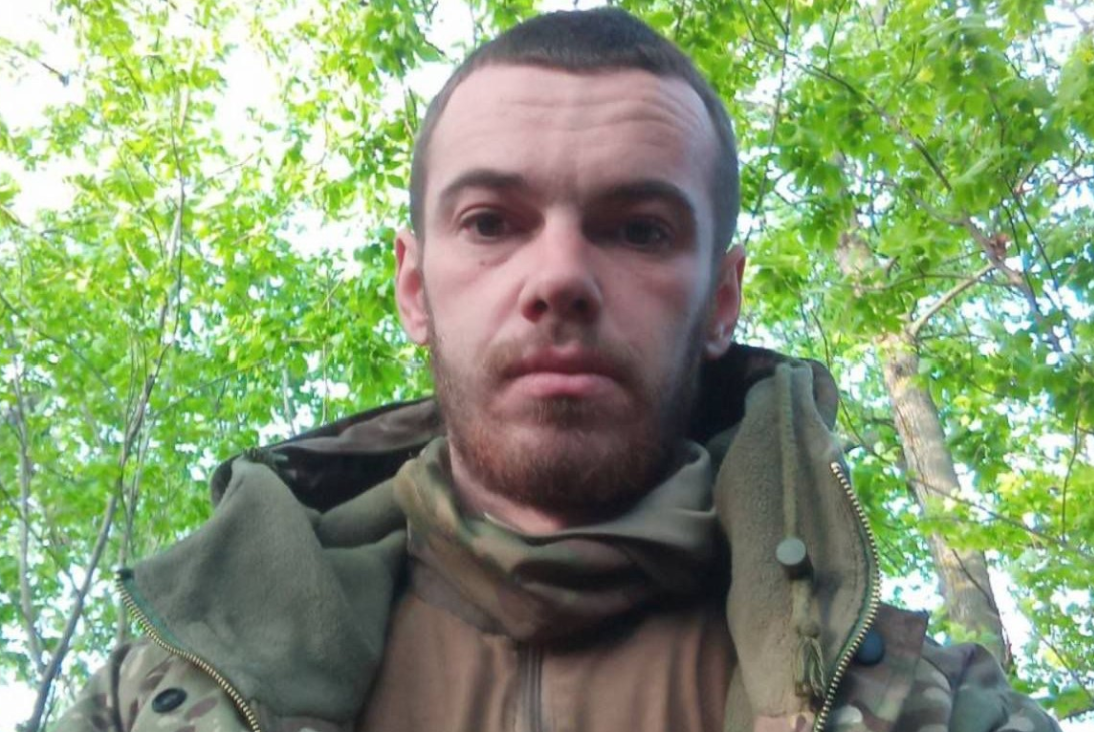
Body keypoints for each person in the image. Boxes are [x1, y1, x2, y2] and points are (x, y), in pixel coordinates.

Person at [60, 8, 1060, 732]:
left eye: (639, 229)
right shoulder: (155, 697)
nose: (560, 278)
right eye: (491, 222)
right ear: (413, 287)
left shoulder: (928, 705)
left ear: (721, 299)